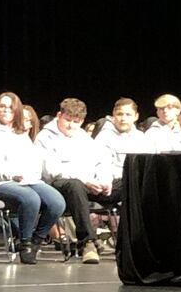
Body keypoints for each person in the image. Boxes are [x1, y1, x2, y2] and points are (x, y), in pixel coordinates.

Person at [0, 91, 65, 264]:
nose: (6, 110)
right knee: (30, 199)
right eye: (2, 106)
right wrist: (12, 174)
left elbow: (33, 161)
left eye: (11, 107)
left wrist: (29, 175)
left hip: (28, 180)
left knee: (57, 202)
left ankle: (36, 241)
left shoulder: (21, 135)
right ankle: (24, 243)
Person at [35, 98, 118, 264]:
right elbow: (52, 170)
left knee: (127, 184)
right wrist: (86, 180)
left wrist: (104, 180)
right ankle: (87, 242)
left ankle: (132, 242)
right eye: (67, 120)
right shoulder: (45, 137)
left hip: (89, 185)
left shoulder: (82, 136)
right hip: (59, 186)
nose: (71, 125)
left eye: (76, 121)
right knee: (75, 185)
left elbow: (101, 161)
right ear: (59, 115)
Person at [94, 98, 151, 180]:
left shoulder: (142, 138)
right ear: (113, 115)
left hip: (139, 183)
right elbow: (102, 167)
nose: (123, 119)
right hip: (115, 183)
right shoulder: (104, 137)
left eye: (128, 114)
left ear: (136, 116)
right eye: (120, 114)